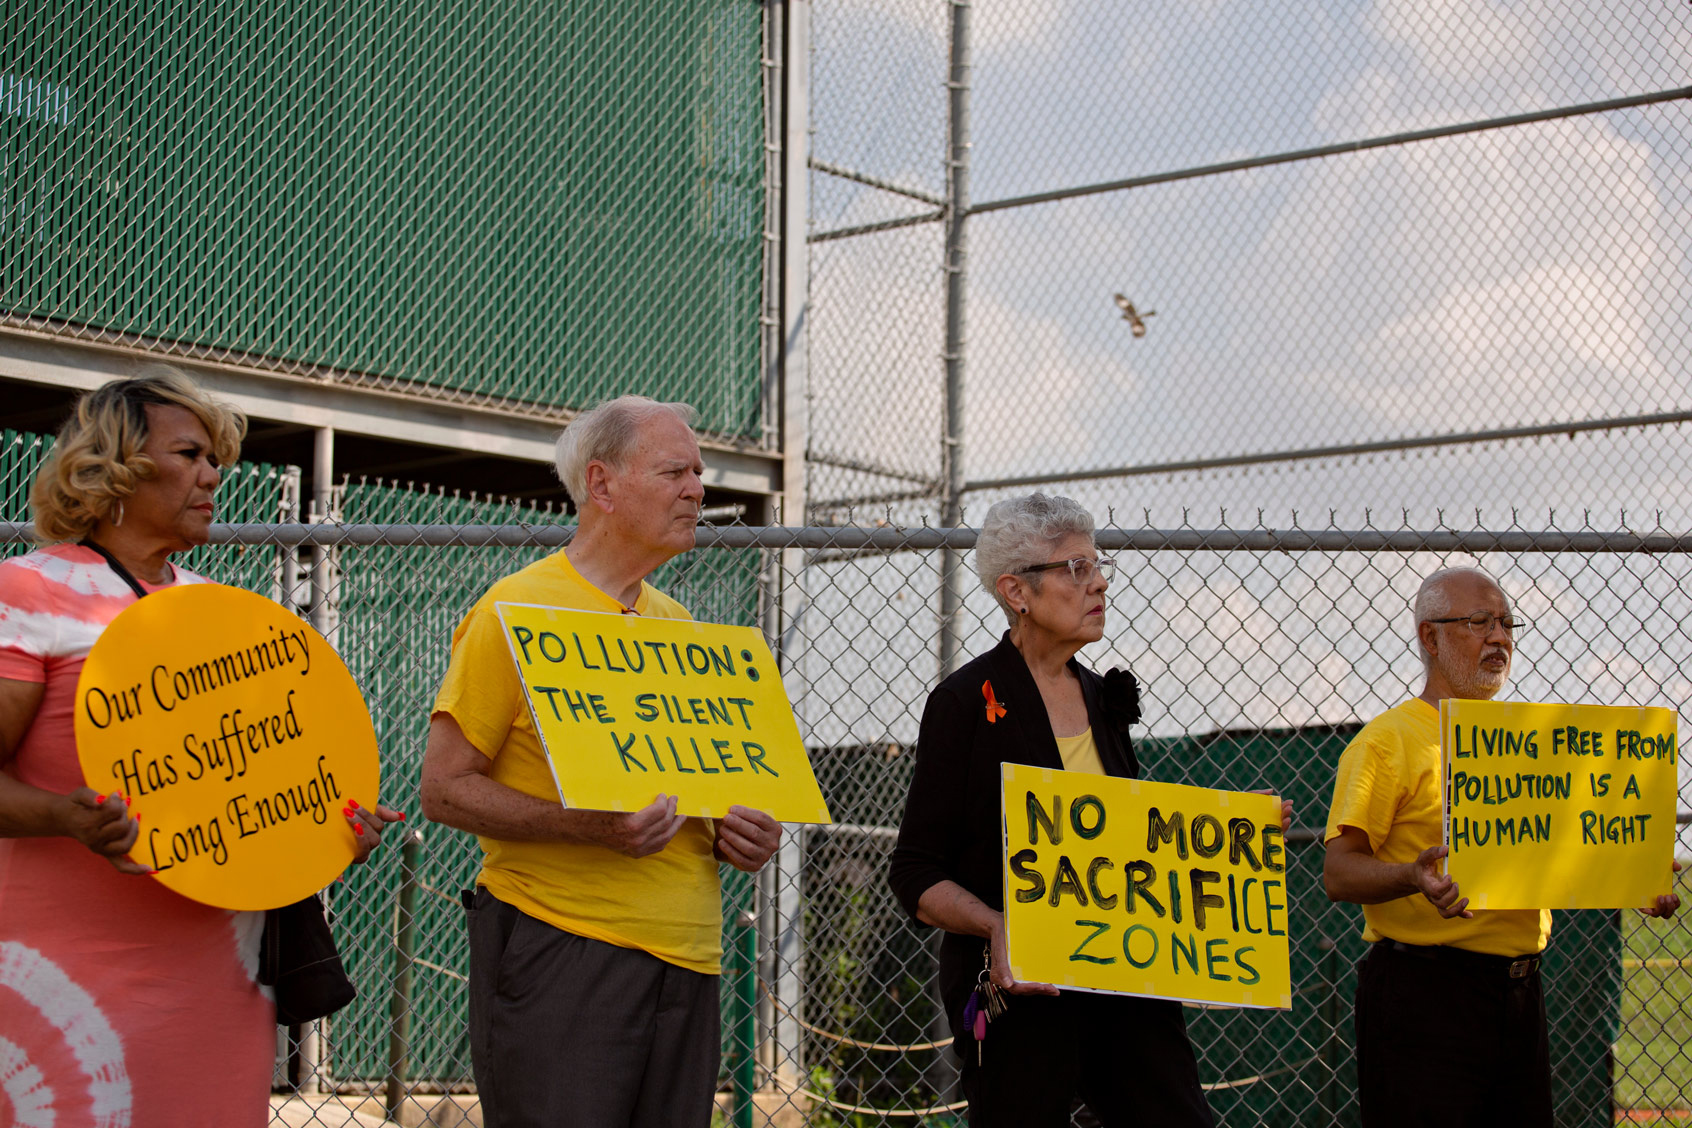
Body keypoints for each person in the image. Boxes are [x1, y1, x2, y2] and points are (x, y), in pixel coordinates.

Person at [0, 367, 402, 1128]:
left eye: (217, 458)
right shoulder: (27, 592)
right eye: (190, 454)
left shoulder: (221, 613)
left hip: (222, 986)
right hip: (65, 984)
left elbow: (257, 780)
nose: (215, 474)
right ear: (114, 467)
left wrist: (328, 833)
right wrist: (67, 818)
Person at [419, 394, 784, 1128]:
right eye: (675, 471)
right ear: (603, 485)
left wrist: (742, 834)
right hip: (565, 950)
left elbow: (702, 798)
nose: (697, 489)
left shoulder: (681, 626)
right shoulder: (513, 612)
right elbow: (443, 791)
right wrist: (587, 825)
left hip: (690, 961)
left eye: (699, 472)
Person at [887, 493, 1286, 1127]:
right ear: (1017, 591)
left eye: (1097, 566)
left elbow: (1124, 844)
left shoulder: (1102, 697)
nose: (1098, 582)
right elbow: (913, 872)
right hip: (1023, 993)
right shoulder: (965, 702)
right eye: (1075, 568)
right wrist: (997, 925)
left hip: (1126, 979)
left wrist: (1228, 832)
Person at [1322, 565, 1679, 1128]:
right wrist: (1413, 878)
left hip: (1520, 992)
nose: (1499, 637)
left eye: (1507, 623)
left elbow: (1561, 851)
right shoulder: (1387, 742)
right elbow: (1339, 872)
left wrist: (1628, 879)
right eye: (1479, 622)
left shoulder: (1531, 744)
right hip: (1425, 997)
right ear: (1429, 638)